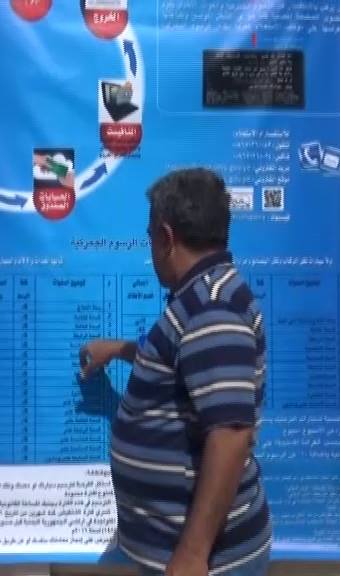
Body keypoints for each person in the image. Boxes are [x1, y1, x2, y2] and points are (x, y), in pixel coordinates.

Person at [80, 168, 272, 576]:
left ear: (166, 237)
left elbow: (231, 434)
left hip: (209, 562)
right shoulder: (203, 296)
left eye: (150, 236)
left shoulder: (212, 308)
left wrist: (192, 554)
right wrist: (118, 350)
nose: (150, 247)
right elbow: (182, 364)